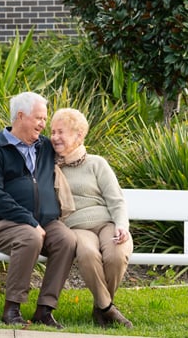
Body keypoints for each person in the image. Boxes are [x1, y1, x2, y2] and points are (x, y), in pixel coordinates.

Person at [0, 91, 76, 328]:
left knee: (67, 240)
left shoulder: (45, 147)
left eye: (45, 119)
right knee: (30, 237)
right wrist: (29, 221)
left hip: (44, 222)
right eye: (39, 118)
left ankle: (45, 310)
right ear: (20, 116)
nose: (43, 124)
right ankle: (12, 308)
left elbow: (74, 148)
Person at [49, 107, 134, 328]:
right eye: (53, 132)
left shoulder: (97, 163)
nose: (55, 137)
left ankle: (100, 306)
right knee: (87, 253)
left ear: (79, 135)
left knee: (117, 254)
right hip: (76, 226)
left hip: (106, 223)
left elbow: (116, 200)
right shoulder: (48, 166)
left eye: (61, 132)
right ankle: (107, 309)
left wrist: (121, 226)